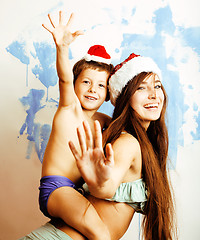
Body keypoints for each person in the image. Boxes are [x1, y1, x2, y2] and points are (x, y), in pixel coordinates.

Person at [69, 52, 177, 240]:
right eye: (142, 88)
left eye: (157, 86)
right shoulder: (128, 143)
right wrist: (99, 182)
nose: (153, 95)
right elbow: (106, 188)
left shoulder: (143, 142)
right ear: (125, 98)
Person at [38, 10, 114, 240]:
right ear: (75, 85)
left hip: (80, 190)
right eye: (87, 82)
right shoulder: (68, 107)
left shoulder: (103, 121)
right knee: (100, 233)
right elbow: (63, 77)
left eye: (101, 86)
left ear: (108, 94)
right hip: (57, 188)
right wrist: (62, 48)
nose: (93, 89)